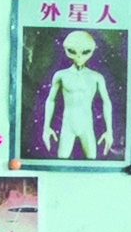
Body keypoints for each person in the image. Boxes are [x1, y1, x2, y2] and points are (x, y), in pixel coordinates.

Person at [41, 30, 114, 159]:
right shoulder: (61, 75)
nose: (79, 57)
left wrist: (109, 130)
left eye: (85, 52)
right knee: (61, 162)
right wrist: (46, 127)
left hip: (86, 125)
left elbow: (106, 102)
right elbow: (50, 100)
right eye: (72, 51)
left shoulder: (96, 77)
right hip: (68, 125)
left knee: (91, 162)